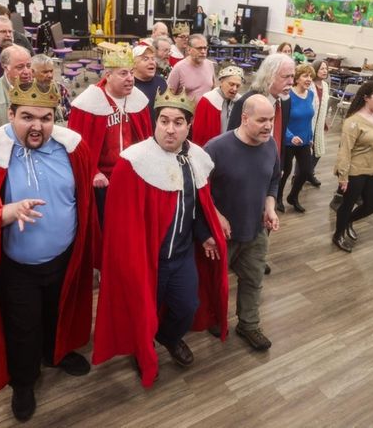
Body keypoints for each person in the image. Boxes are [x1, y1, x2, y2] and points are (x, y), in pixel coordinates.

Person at [0, 80, 97, 425]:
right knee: (23, 327)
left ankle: (55, 354)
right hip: (17, 266)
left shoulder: (71, 149)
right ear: (10, 114)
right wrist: (7, 212)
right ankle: (24, 381)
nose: (37, 126)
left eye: (45, 118)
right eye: (27, 117)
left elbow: (84, 201)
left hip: (64, 257)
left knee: (56, 312)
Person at [92, 89, 228, 387]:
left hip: (180, 257)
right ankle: (142, 352)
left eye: (178, 122)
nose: (170, 128)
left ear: (188, 126)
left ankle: (168, 337)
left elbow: (196, 206)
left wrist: (205, 234)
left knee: (187, 306)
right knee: (143, 310)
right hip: (146, 257)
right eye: (164, 121)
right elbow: (122, 223)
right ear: (155, 122)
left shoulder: (197, 158)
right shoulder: (133, 162)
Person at [204, 94, 280, 351]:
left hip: (256, 231)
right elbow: (198, 188)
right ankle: (215, 317)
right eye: (262, 120)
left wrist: (270, 207)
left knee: (253, 280)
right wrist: (216, 214)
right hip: (223, 234)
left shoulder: (270, 144)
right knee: (215, 282)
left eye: (271, 119)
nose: (268, 126)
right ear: (245, 118)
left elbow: (274, 180)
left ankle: (248, 324)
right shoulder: (216, 148)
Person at [68, 46, 153, 225]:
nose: (130, 78)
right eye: (123, 73)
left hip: (132, 178)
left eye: (131, 72)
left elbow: (146, 142)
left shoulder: (139, 101)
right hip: (102, 183)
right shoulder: (87, 104)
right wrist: (93, 172)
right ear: (108, 75)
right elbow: (77, 149)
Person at [227, 53, 293, 276]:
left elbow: (280, 134)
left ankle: (257, 254)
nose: (291, 82)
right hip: (245, 173)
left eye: (292, 76)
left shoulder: (285, 100)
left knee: (268, 212)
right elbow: (232, 139)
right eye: (286, 77)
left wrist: (279, 163)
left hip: (269, 169)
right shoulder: (249, 101)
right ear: (270, 76)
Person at [332, 81, 373, 253]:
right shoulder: (353, 122)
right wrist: (343, 177)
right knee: (346, 205)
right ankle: (338, 235)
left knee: (372, 205)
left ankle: (348, 221)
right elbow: (344, 151)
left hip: (372, 169)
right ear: (366, 98)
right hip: (354, 171)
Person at [277, 63, 316, 214]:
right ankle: (278, 197)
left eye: (311, 76)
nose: (309, 79)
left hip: (304, 141)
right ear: (297, 78)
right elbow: (281, 120)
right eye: (305, 76)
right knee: (285, 172)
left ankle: (293, 197)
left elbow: (308, 119)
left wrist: (310, 137)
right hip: (288, 141)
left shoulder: (310, 95)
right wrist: (291, 137)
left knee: (306, 171)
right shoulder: (287, 96)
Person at [192, 64, 243, 146]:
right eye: (231, 84)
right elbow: (198, 131)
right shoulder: (207, 100)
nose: (234, 89)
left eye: (238, 86)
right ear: (222, 81)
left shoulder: (240, 102)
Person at [167, 34, 215, 102]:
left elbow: (213, 90)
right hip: (185, 112)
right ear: (189, 49)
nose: (203, 51)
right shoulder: (179, 68)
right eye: (199, 48)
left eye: (205, 48)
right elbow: (169, 96)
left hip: (206, 112)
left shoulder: (210, 65)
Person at [305, 59, 330, 187]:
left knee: (317, 151)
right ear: (315, 70)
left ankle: (309, 173)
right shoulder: (309, 85)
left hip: (319, 123)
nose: (325, 71)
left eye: (326, 68)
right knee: (305, 151)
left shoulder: (325, 86)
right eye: (322, 68)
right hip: (308, 122)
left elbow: (323, 105)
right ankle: (298, 175)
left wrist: (325, 120)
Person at [31, 53, 72, 122]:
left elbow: (70, 112)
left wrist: (63, 110)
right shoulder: (26, 91)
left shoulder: (60, 88)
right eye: (45, 72)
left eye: (51, 71)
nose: (50, 75)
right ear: (32, 72)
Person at [132, 44, 167, 122]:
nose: (152, 62)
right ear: (134, 64)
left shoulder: (161, 81)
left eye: (153, 59)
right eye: (145, 59)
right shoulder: (128, 85)